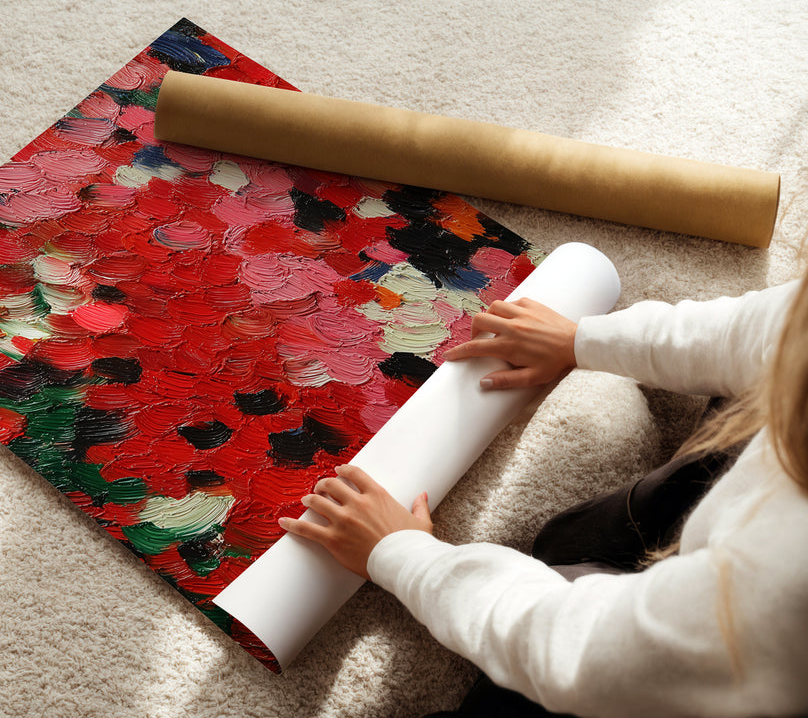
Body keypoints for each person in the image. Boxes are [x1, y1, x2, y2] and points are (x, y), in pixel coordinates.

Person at [279, 275, 808, 717]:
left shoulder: (783, 585)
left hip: (729, 668)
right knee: (570, 541)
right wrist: (581, 340)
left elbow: (578, 651)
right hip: (736, 567)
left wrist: (402, 554)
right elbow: (768, 328)